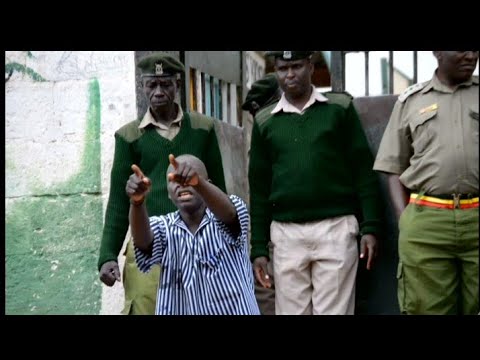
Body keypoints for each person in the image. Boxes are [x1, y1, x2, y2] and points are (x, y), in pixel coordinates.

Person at [249, 51, 382, 315]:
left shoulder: (339, 108)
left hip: (335, 229)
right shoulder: (265, 121)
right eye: (283, 68)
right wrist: (259, 248)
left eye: (296, 66)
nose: (289, 75)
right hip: (286, 235)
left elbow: (363, 171)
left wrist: (371, 226)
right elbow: (259, 188)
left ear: (311, 65)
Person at [98, 52, 226, 315]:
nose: (157, 92)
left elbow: (218, 190)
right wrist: (107, 255)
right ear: (142, 86)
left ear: (177, 85)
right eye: (151, 84)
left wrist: (223, 241)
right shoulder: (129, 136)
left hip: (196, 241)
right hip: (148, 242)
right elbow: (120, 201)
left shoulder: (202, 128)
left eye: (165, 84)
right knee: (146, 307)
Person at [373, 51, 479, 315]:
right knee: (427, 308)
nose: (471, 55)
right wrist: (404, 218)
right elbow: (392, 166)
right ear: (438, 53)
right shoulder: (411, 101)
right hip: (427, 223)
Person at [127, 154, 260, 315]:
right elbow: (143, 242)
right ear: (168, 193)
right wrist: (137, 202)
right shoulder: (164, 227)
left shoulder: (230, 210)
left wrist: (198, 184)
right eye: (174, 179)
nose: (183, 183)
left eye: (189, 177)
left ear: (207, 184)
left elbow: (231, 215)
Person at [242, 73, 282, 315]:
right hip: (270, 236)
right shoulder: (261, 141)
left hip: (290, 231)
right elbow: (258, 198)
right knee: (266, 293)